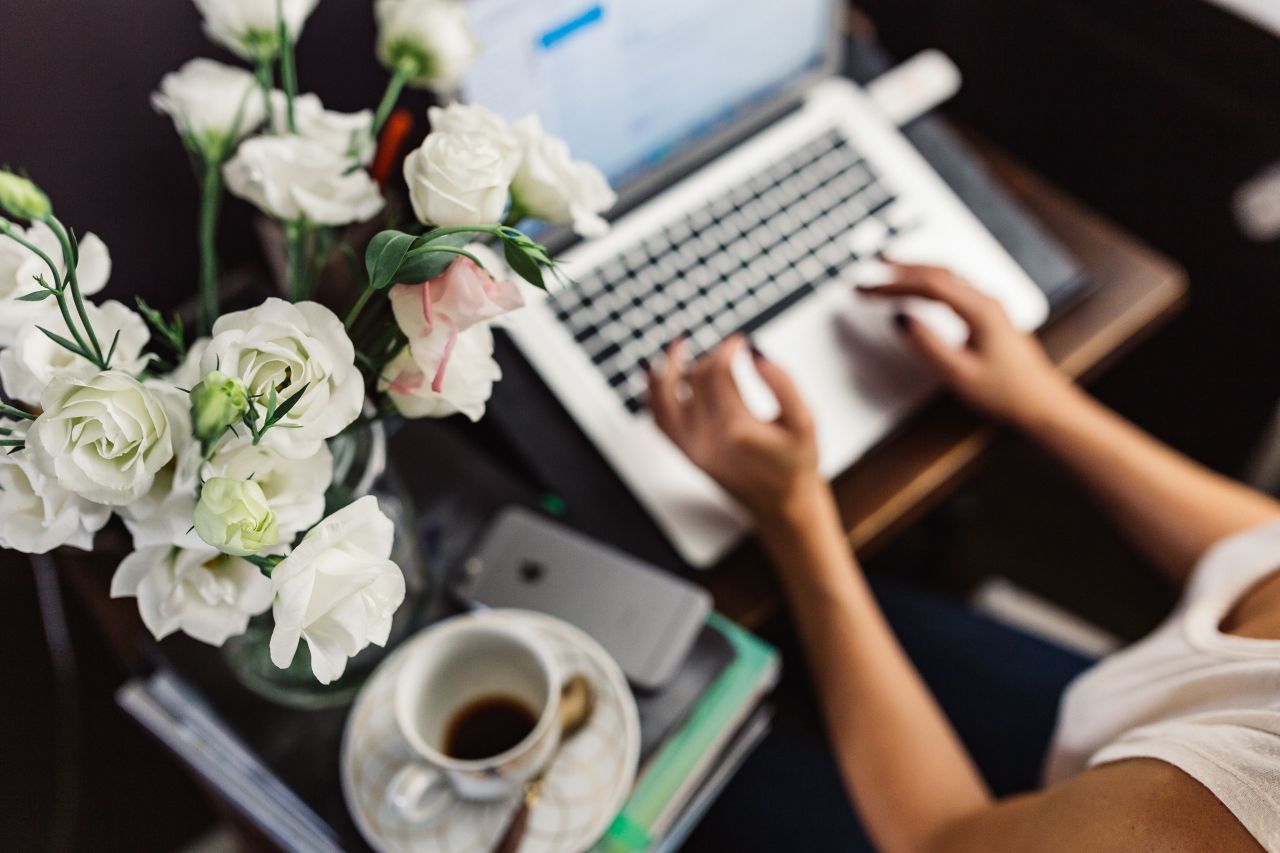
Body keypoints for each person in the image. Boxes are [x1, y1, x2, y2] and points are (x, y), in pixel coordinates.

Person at [648, 263, 1280, 851]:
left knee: (699, 753)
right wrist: (1042, 399)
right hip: (1132, 719)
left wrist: (795, 522)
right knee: (841, 613)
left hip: (991, 825)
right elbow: (1261, 553)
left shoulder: (1238, 807)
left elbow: (945, 837)